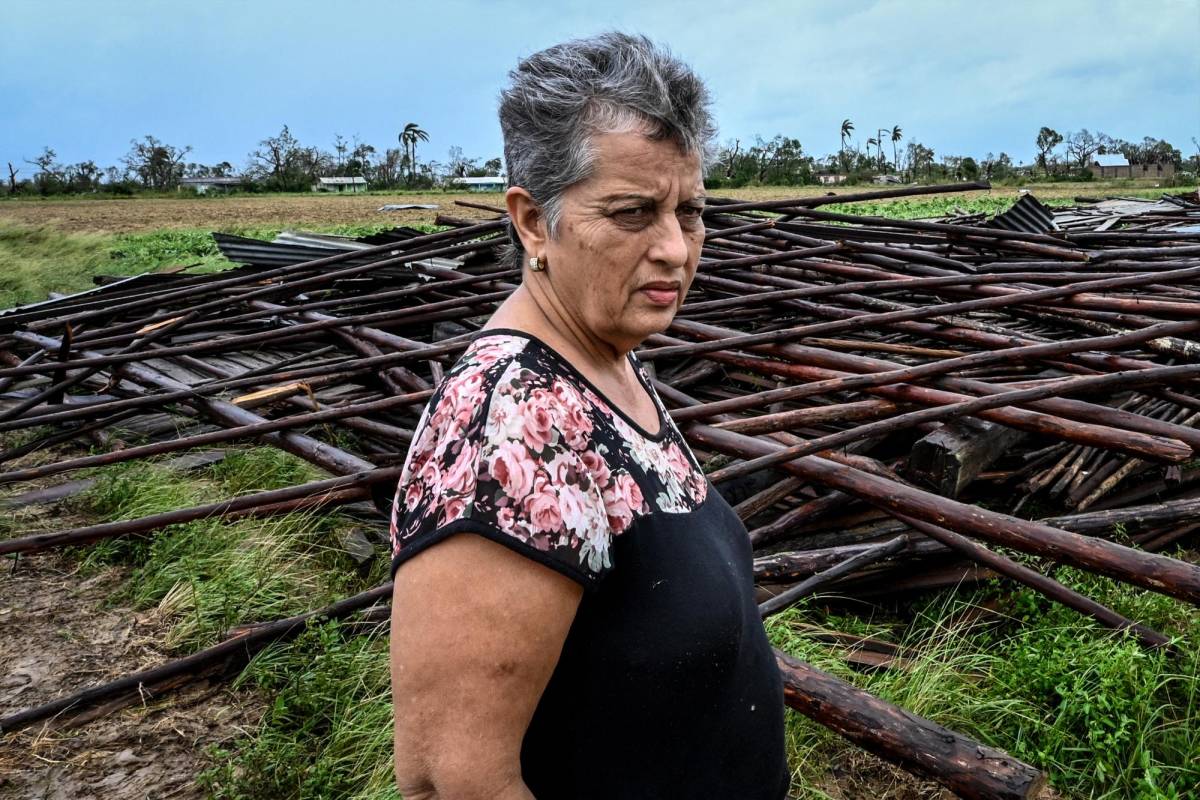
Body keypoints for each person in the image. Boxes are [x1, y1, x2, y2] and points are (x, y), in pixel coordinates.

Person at [387, 32, 788, 799]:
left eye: (691, 211)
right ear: (534, 222)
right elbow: (452, 780)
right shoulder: (507, 427)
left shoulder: (605, 363)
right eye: (633, 213)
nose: (675, 247)